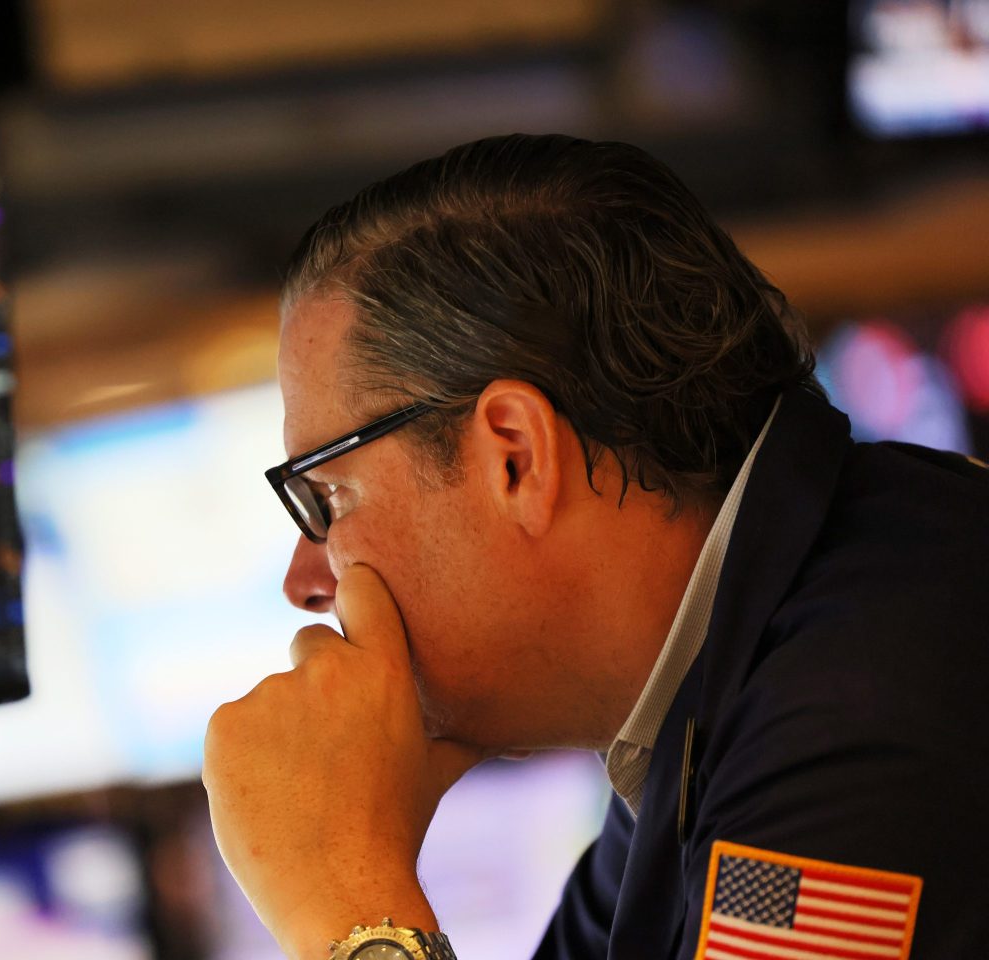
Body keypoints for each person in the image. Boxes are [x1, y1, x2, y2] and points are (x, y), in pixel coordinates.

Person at [201, 134, 989, 960]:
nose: (303, 580)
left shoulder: (855, 728)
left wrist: (346, 901)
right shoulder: (719, 692)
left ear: (516, 456)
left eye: (327, 496)